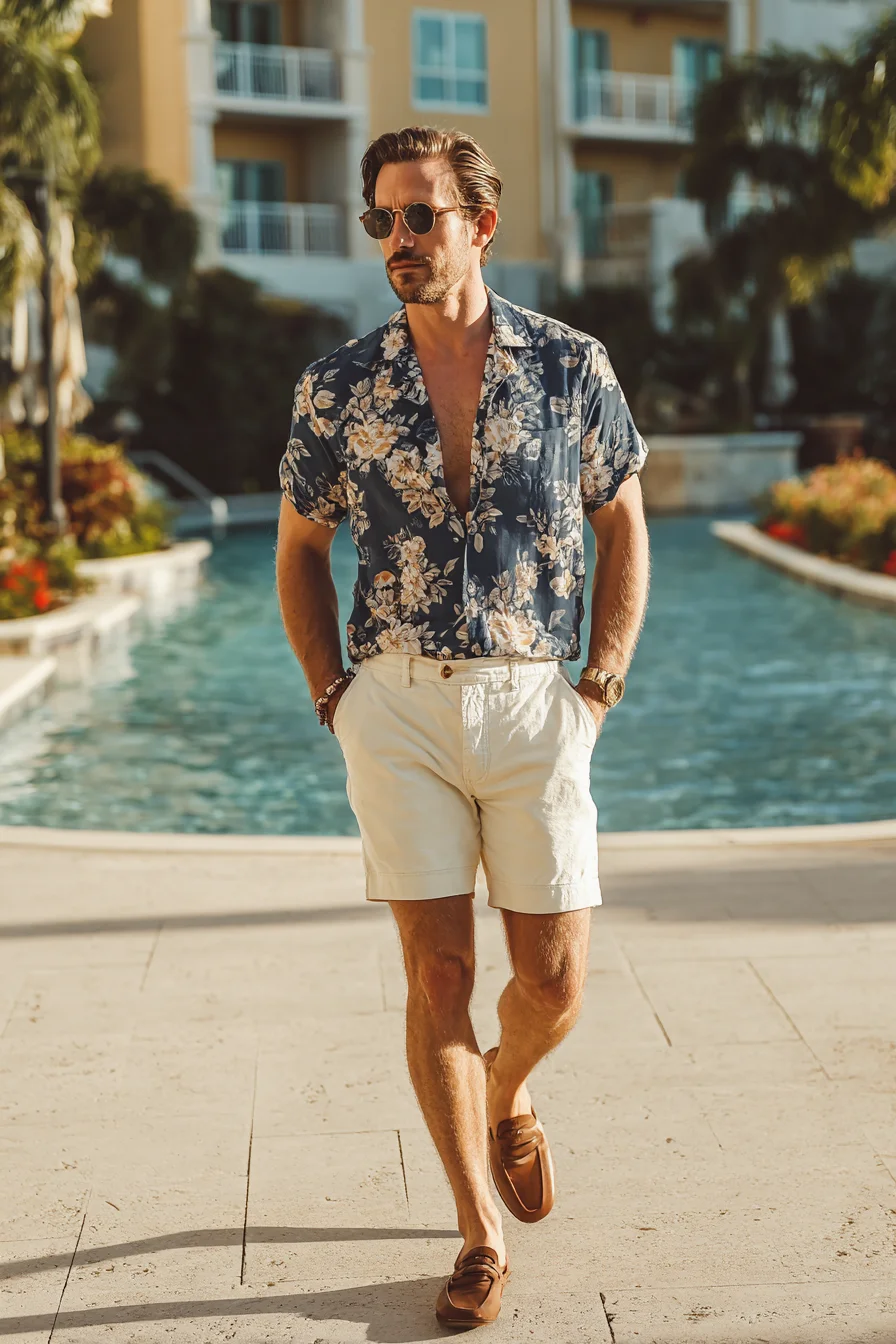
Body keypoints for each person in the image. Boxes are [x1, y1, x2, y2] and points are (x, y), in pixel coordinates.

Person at [276, 126, 650, 1330]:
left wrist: (596, 686)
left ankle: (505, 1091)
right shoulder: (337, 385)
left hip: (535, 699)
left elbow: (623, 526)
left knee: (553, 981)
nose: (397, 238)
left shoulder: (569, 366)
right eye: (380, 219)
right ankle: (478, 1235)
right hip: (396, 705)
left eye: (419, 216)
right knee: (438, 970)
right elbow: (299, 550)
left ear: (478, 226)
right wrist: (335, 696)